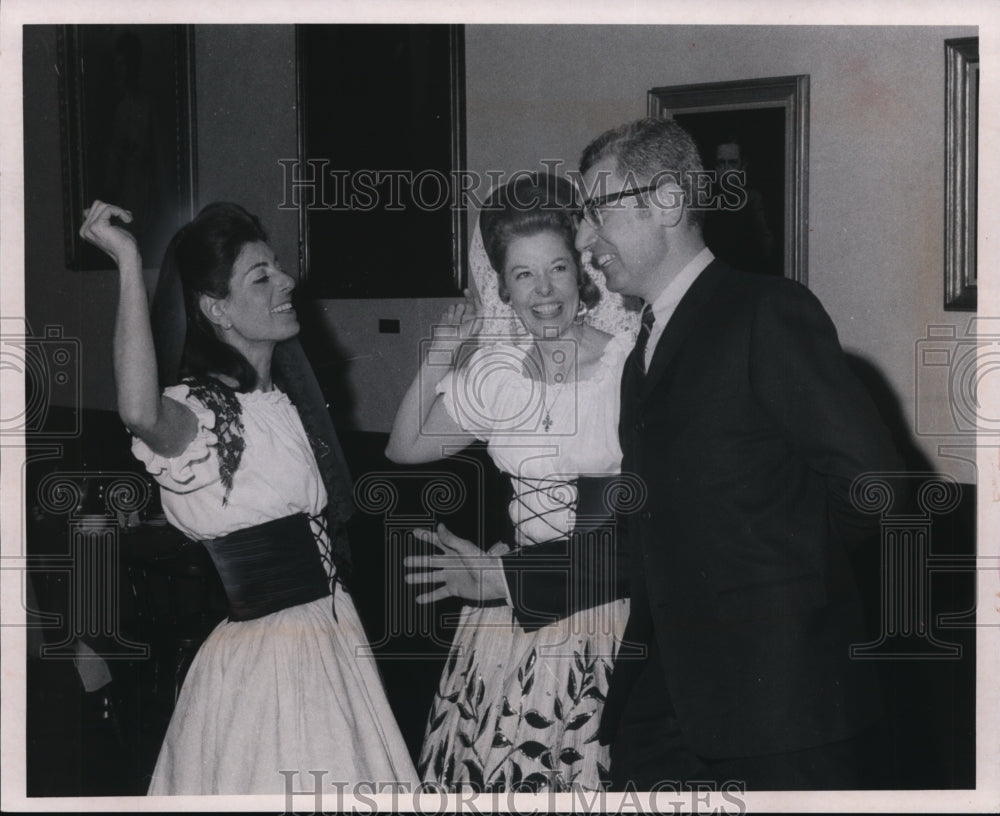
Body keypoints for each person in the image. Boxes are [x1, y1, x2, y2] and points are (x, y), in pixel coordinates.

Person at [572, 117, 901, 790]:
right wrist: (504, 578)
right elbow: (651, 536)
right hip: (669, 706)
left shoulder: (766, 312)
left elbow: (873, 485)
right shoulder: (642, 356)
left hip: (785, 709)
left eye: (596, 212)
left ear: (667, 201)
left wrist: (776, 574)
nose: (584, 241)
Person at [78, 200, 418, 794]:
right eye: (261, 277)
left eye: (278, 268)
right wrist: (130, 263)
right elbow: (138, 411)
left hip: (332, 640)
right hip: (270, 664)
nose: (286, 282)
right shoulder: (203, 414)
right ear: (216, 309)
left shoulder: (286, 404)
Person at [385, 173, 638, 792]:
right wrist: (445, 349)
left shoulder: (627, 365)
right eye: (524, 274)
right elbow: (406, 445)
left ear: (583, 274)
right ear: (503, 286)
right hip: (507, 605)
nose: (544, 291)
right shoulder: (501, 376)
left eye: (557, 268)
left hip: (604, 607)